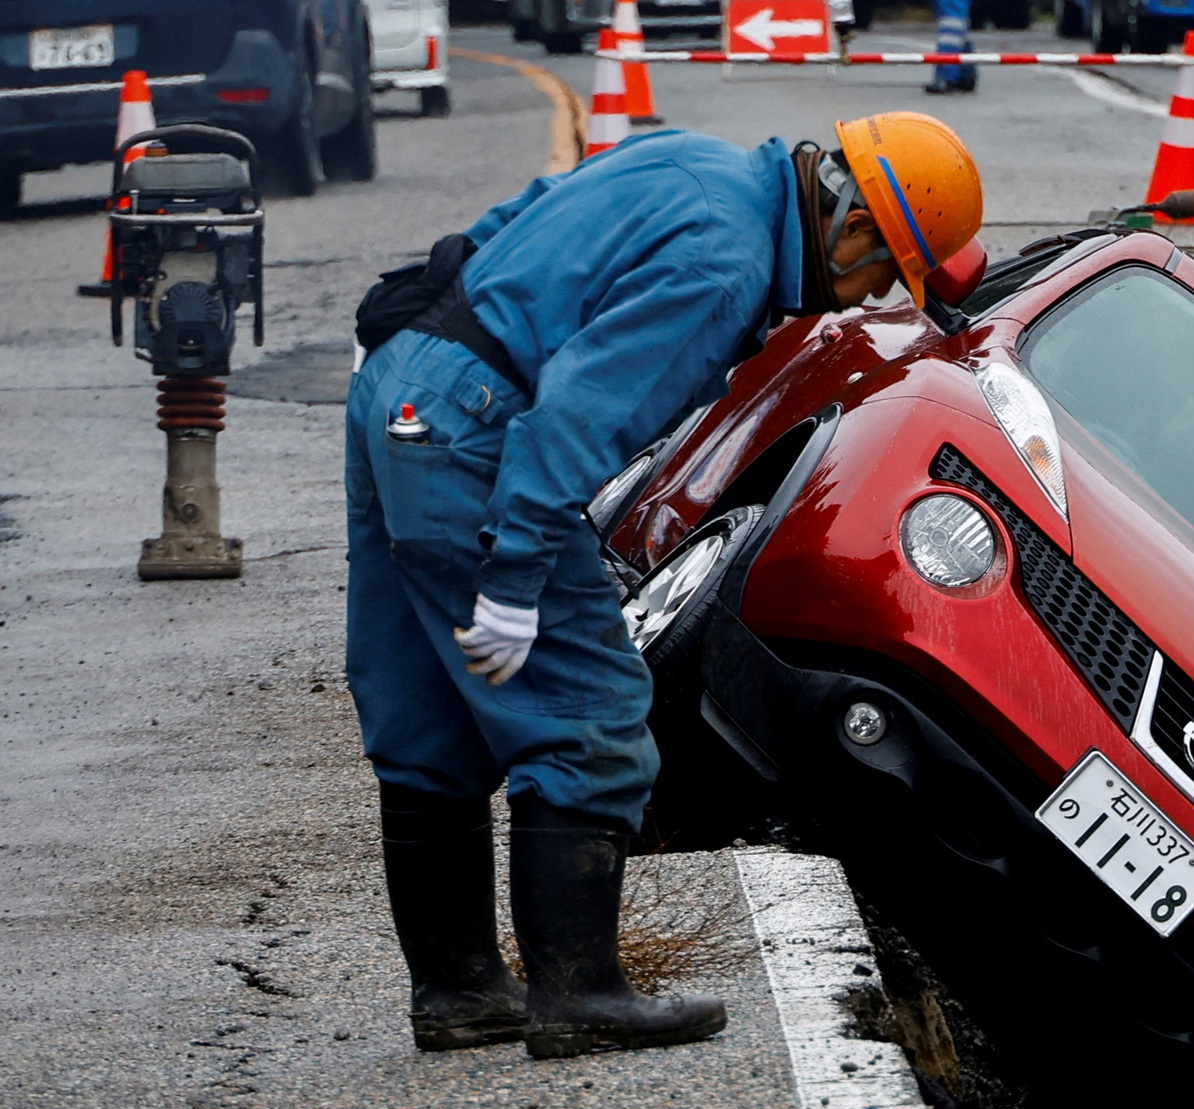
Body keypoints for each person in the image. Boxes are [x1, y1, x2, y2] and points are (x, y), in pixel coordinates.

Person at [344, 114, 984, 1058]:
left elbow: (526, 215)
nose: (867, 296)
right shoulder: (722, 269)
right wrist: (519, 573)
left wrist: (427, 311)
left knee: (425, 704)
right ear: (852, 227)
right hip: (470, 433)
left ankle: (460, 987)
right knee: (592, 708)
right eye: (882, 271)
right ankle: (580, 995)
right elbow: (578, 415)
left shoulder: (698, 159)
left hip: (403, 387)